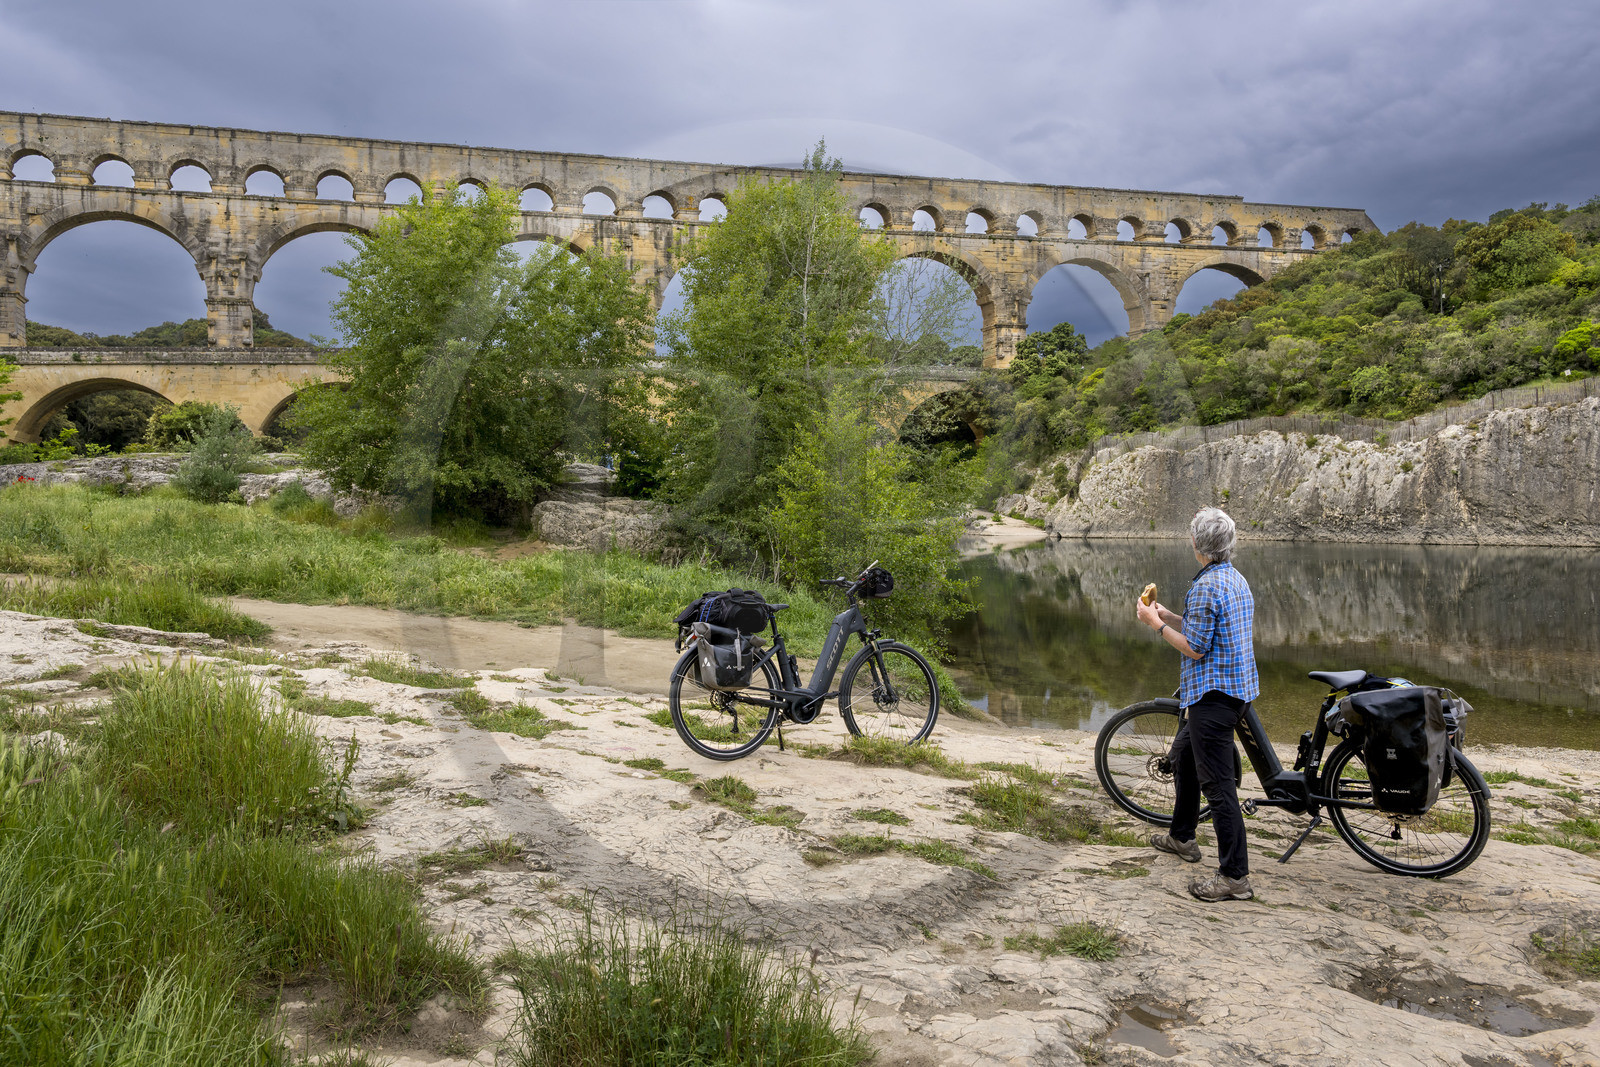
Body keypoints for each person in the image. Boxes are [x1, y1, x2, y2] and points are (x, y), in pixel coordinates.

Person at [1134, 506, 1260, 902]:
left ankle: (1234, 877)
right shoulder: (1232, 578)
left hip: (1212, 699)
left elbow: (1196, 647)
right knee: (1184, 760)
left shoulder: (1205, 586)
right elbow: (1208, 627)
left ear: (1196, 544)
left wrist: (1156, 626)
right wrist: (1169, 614)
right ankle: (1182, 838)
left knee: (1219, 788)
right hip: (1233, 691)